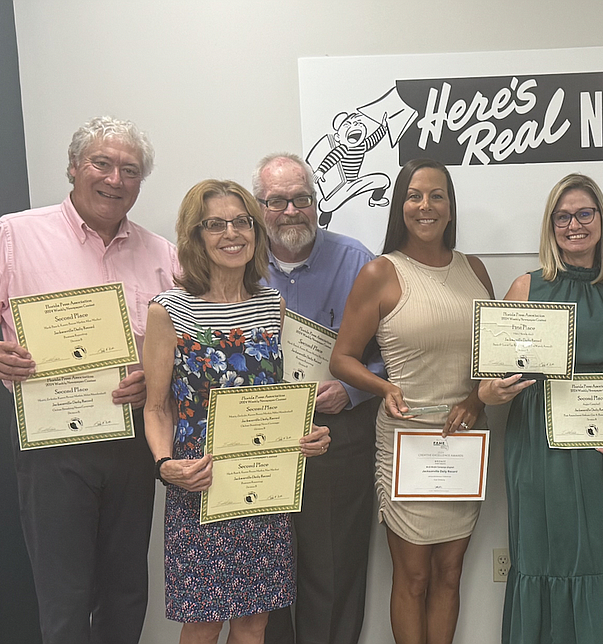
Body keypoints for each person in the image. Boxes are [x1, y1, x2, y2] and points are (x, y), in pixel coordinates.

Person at [0, 116, 177, 644]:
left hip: (130, 441)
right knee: (64, 594)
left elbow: (183, 344)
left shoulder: (161, 254)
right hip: (51, 444)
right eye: (102, 163)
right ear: (74, 167)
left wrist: (155, 380)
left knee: (126, 590)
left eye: (130, 170)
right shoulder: (14, 235)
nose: (115, 179)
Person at [142, 179, 331, 643]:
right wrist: (166, 466)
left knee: (255, 620)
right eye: (216, 224)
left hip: (263, 486)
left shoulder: (271, 306)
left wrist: (306, 435)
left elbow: (271, 401)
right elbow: (156, 407)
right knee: (204, 620)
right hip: (200, 483)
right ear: (194, 236)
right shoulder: (168, 311)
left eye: (242, 221)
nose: (232, 233)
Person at [478, 173, 603, 644]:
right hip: (543, 453)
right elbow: (490, 380)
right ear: (551, 226)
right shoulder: (527, 286)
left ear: (601, 221)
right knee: (550, 556)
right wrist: (490, 395)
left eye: (584, 213)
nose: (574, 224)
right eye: (563, 217)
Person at [330, 158, 494, 644]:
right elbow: (343, 359)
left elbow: (492, 356)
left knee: (449, 572)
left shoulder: (476, 270)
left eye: (437, 195)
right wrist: (384, 387)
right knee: (414, 576)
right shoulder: (382, 272)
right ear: (400, 206)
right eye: (415, 195)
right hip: (407, 441)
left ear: (450, 206)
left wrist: (476, 401)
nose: (426, 206)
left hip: (465, 439)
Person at [254, 153, 384, 644]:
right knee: (265, 575)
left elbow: (393, 351)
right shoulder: (237, 262)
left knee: (334, 571)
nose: (292, 211)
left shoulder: (357, 260)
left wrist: (351, 388)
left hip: (338, 432)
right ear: (259, 207)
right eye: (277, 201)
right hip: (261, 435)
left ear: (316, 201)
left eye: (302, 198)